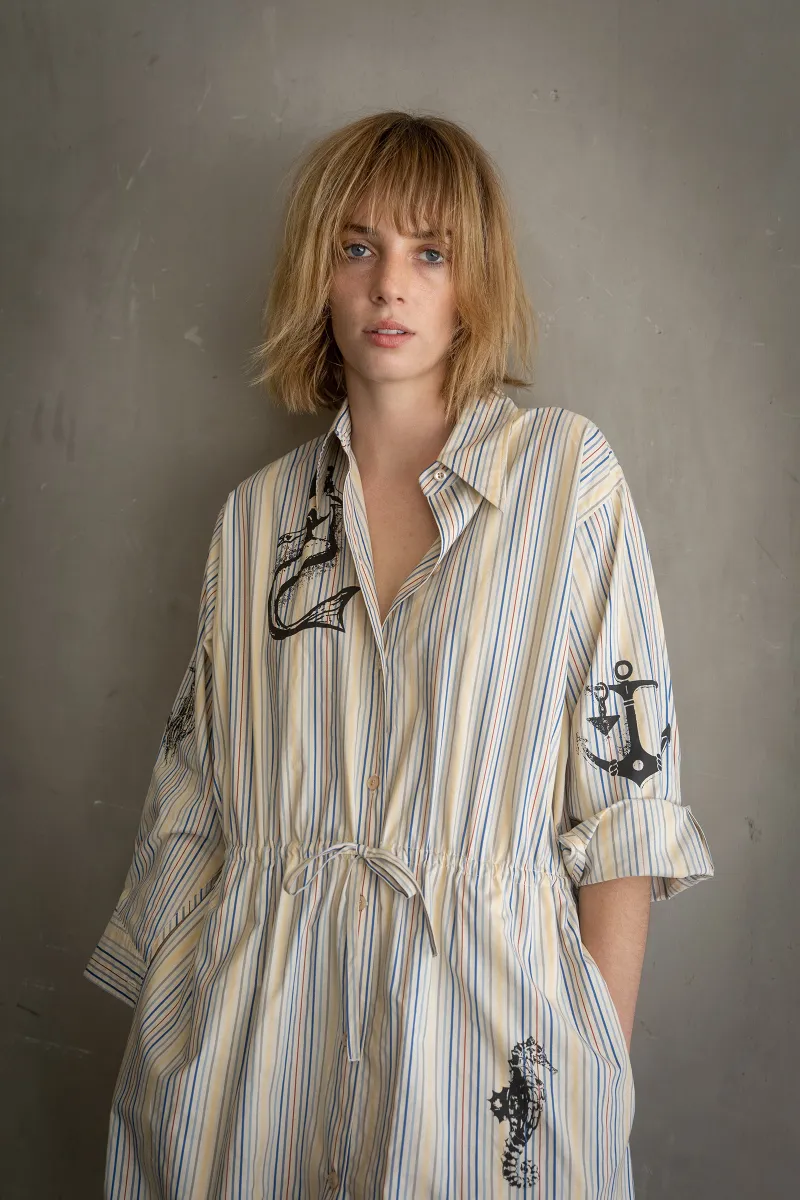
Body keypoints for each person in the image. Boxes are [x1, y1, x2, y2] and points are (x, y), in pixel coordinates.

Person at [84, 111, 715, 1198]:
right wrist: (170, 1030)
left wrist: (594, 1071)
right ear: (319, 275)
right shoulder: (254, 521)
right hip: (253, 1051)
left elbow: (624, 806)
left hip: (489, 1054)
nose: (389, 285)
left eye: (430, 252)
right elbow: (194, 795)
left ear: (473, 283)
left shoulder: (566, 479)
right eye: (357, 246)